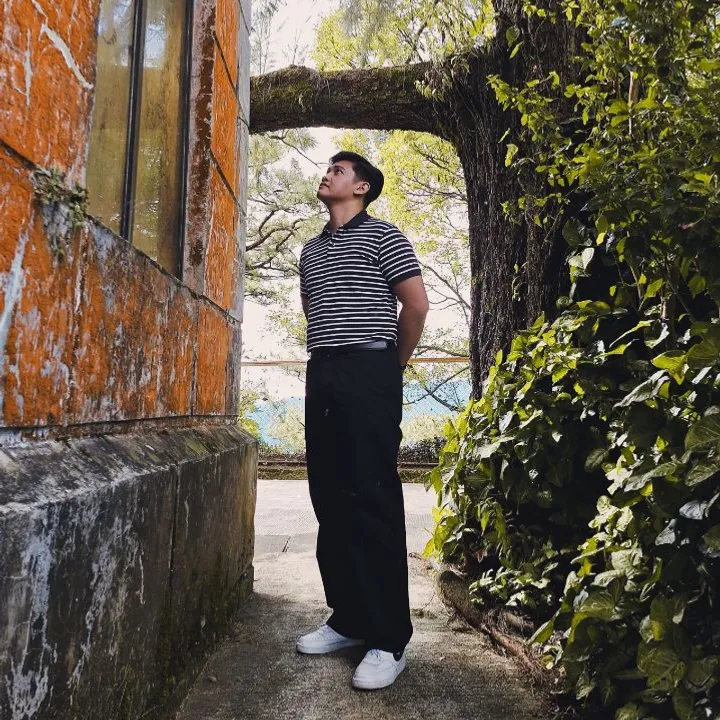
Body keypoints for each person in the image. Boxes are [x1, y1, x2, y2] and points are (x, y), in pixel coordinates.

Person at [295, 151, 429, 690]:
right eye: (327, 168)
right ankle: (348, 618)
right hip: (323, 370)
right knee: (329, 496)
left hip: (372, 369)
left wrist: (392, 366)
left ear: (363, 187)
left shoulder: (384, 237)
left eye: (339, 170)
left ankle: (388, 639)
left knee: (372, 497)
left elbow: (415, 306)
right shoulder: (310, 250)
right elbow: (313, 309)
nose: (327, 174)